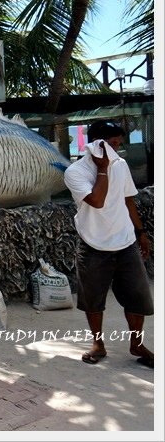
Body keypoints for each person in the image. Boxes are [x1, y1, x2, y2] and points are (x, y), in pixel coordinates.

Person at [63, 120, 153, 368]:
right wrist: (102, 169)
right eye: (113, 143)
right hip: (92, 244)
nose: (118, 148)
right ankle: (98, 344)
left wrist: (141, 232)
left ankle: (137, 344)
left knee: (138, 297)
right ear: (96, 145)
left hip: (125, 241)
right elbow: (97, 200)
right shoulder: (75, 172)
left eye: (119, 143)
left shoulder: (121, 166)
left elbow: (128, 200)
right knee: (93, 300)